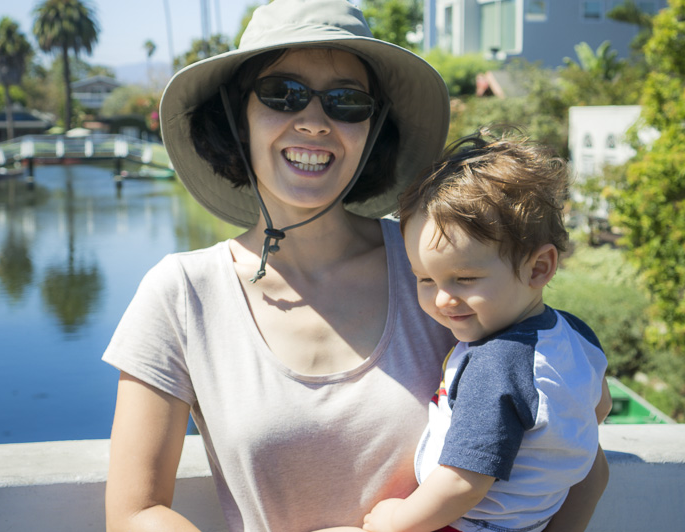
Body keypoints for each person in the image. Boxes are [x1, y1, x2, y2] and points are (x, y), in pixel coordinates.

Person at [102, 1, 608, 531]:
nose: (315, 122)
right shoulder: (181, 293)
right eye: (283, 93)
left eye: (347, 102)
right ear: (236, 114)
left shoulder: (440, 274)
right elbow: (136, 512)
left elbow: (577, 459)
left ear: (374, 126)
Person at [361, 131, 612, 532]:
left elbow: (464, 482)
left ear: (539, 268)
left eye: (464, 278)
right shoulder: (575, 334)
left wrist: (395, 521)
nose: (442, 300)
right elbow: (598, 407)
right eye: (425, 280)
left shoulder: (497, 365)